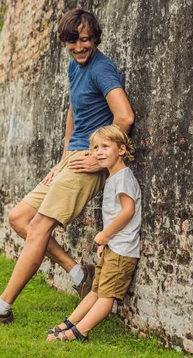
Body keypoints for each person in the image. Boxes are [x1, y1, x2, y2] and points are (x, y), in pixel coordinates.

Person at [0, 9, 134, 324]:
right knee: (19, 218)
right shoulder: (74, 66)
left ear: (95, 38)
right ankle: (78, 272)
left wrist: (97, 159)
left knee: (38, 226)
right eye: (72, 41)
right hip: (72, 158)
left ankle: (0, 310)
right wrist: (62, 158)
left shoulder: (102, 68)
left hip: (87, 163)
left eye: (85, 40)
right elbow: (74, 109)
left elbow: (125, 118)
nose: (79, 47)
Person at [47, 124, 141, 342]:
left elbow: (128, 211)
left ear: (121, 150)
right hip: (113, 247)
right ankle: (69, 323)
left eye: (105, 146)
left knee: (106, 296)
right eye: (95, 147)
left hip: (123, 249)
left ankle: (79, 333)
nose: (99, 152)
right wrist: (104, 243)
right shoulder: (113, 177)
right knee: (95, 291)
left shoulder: (124, 177)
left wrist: (106, 235)